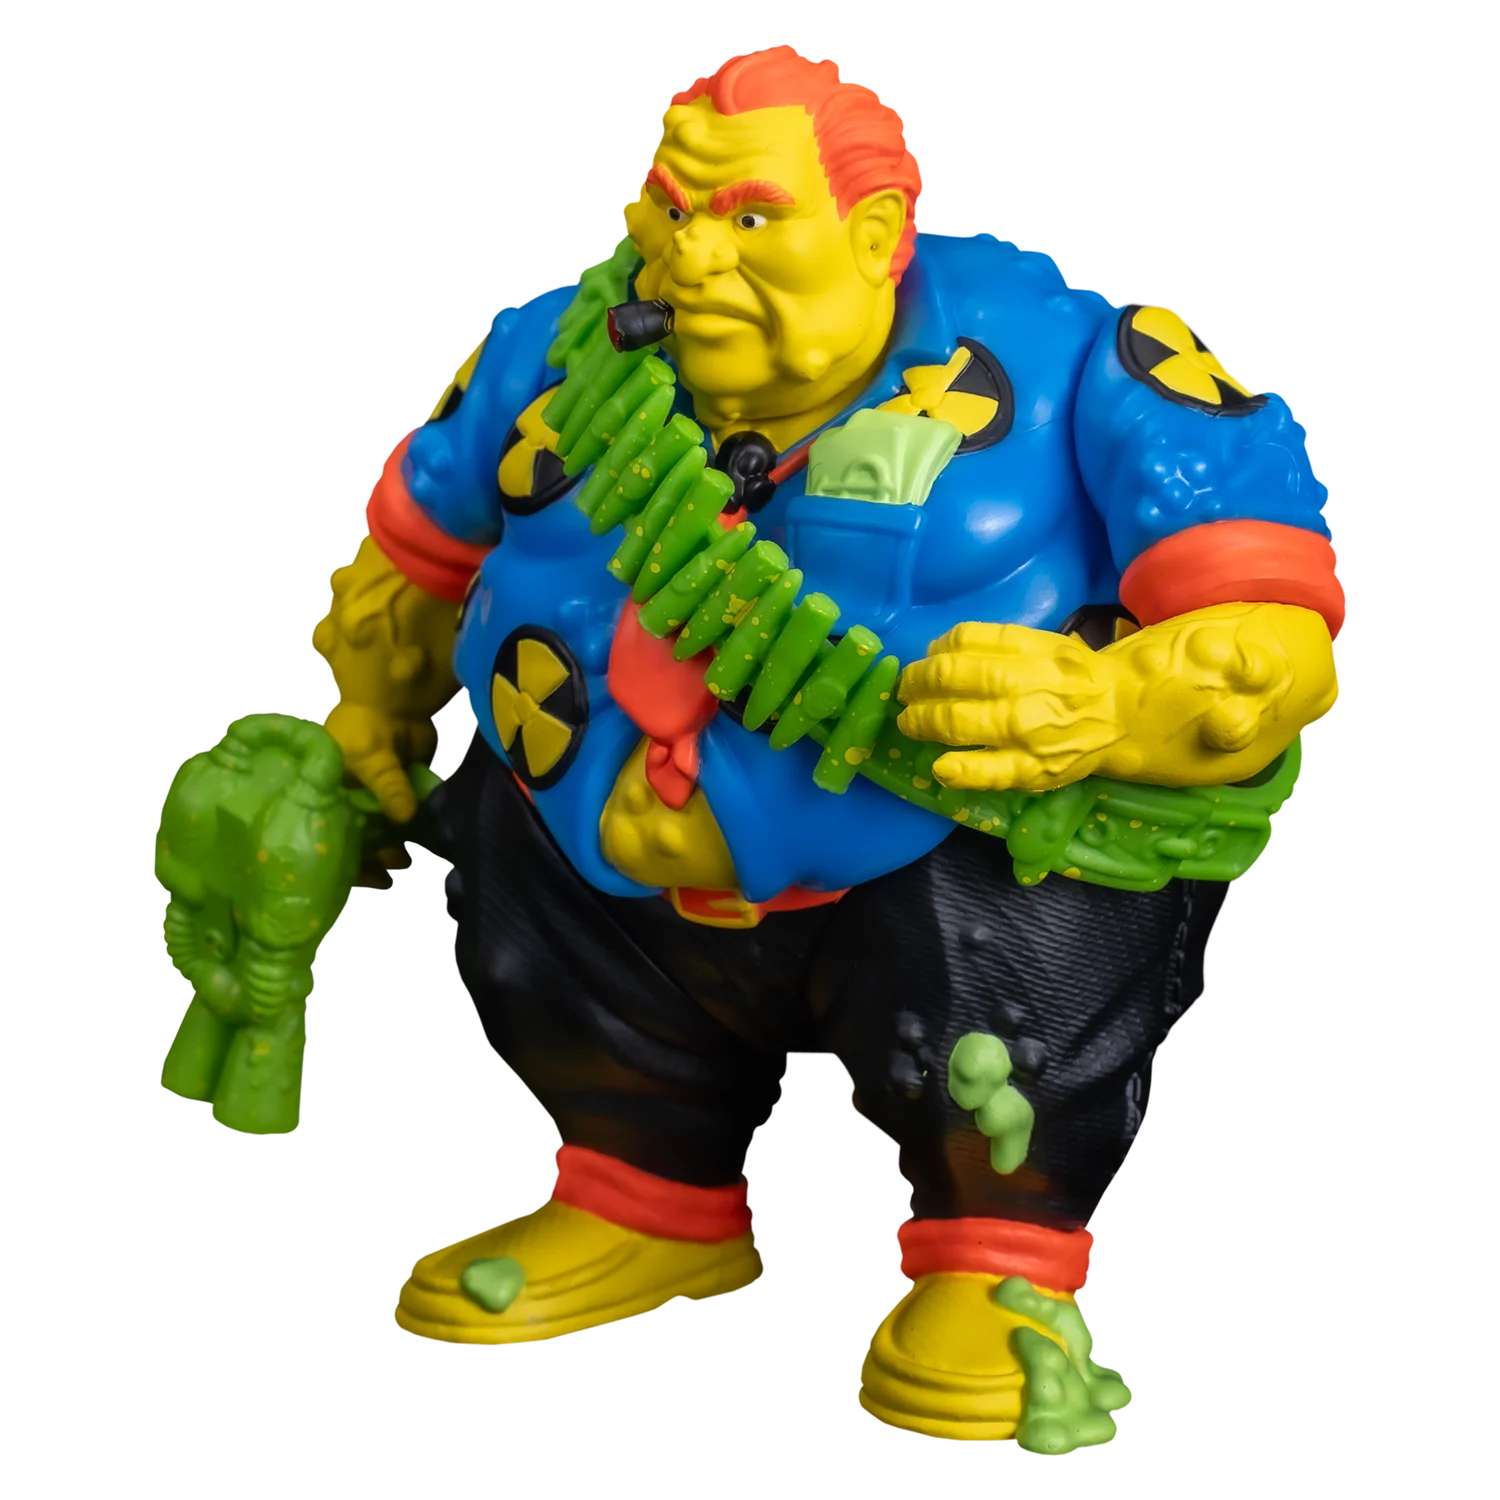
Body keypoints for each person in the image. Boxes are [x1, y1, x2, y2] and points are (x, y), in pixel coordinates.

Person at [310, 45, 1341, 1451]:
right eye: (674, 211)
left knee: (1006, 1010)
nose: (693, 258)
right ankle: (642, 1199)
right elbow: (415, 550)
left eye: (750, 219)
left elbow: (1269, 624)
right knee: (531, 925)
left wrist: (1114, 708)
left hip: (932, 861)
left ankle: (1003, 1264)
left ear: (873, 235)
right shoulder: (558, 355)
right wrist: (367, 714)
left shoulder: (1078, 362)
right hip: (597, 845)